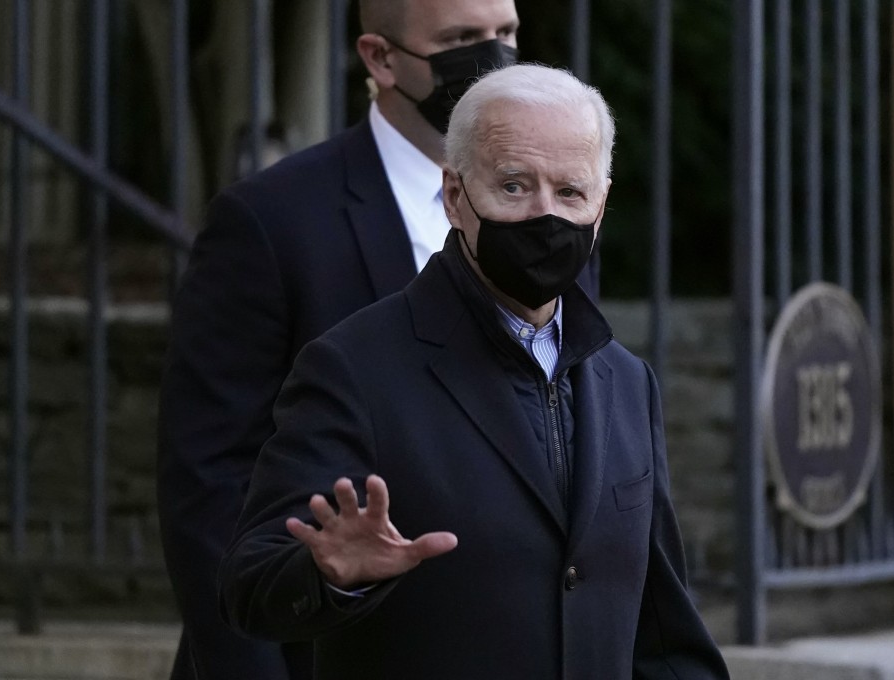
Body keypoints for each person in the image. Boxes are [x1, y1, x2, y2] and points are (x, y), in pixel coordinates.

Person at [218, 63, 728, 680]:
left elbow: (662, 629)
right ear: (455, 197)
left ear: (601, 203)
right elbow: (250, 585)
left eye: (570, 192)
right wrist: (328, 575)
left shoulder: (625, 382)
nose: (547, 216)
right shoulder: (354, 367)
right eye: (514, 186)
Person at [158, 2, 603, 679]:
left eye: (506, 33)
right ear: (379, 59)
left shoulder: (556, 220)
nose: (493, 57)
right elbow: (208, 487)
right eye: (461, 40)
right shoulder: (270, 224)